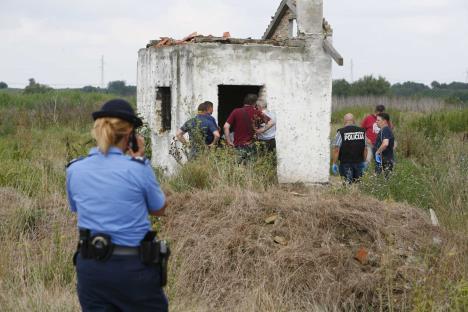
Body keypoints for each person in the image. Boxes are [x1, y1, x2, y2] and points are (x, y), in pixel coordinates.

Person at [66, 99, 169, 311]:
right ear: (129, 133)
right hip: (133, 268)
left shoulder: (75, 169)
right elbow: (159, 209)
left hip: (91, 268)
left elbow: (76, 207)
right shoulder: (138, 169)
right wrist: (141, 159)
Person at [223, 94, 273, 162]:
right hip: (252, 146)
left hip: (238, 145)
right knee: (251, 168)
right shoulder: (257, 112)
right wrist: (261, 130)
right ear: (255, 103)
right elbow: (271, 122)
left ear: (244, 102)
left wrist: (228, 141)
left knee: (239, 167)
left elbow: (226, 126)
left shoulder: (236, 111)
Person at [332, 113, 368, 183]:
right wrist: (364, 161)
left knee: (348, 184)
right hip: (359, 162)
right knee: (358, 184)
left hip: (345, 163)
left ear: (344, 121)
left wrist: (334, 163)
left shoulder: (341, 132)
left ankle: (350, 194)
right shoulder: (362, 131)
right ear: (353, 121)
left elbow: (336, 149)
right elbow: (365, 148)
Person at [374, 112, 395, 177]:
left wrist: (377, 152)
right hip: (386, 159)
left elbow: (385, 143)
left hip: (385, 160)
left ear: (384, 121)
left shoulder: (385, 130)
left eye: (378, 120)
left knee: (382, 180)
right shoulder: (386, 130)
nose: (376, 121)